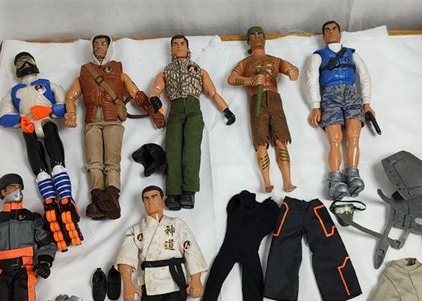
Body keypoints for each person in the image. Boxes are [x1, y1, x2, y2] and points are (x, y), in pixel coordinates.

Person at [65, 35, 164, 220]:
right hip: (91, 120)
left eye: (103, 43)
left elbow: (137, 94)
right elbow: (70, 96)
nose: (99, 46)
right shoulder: (85, 72)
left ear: (109, 47)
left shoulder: (118, 72)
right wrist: (71, 113)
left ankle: (111, 196)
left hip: (113, 118)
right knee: (93, 162)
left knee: (112, 161)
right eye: (96, 43)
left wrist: (153, 111)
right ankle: (97, 198)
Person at [0, 52, 82, 251]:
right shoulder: (13, 93)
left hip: (46, 121)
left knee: (55, 156)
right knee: (38, 164)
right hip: (28, 125)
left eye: (28, 61)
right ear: (16, 68)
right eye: (20, 62)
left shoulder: (49, 85)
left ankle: (65, 198)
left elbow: (65, 105)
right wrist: (21, 119)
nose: (25, 64)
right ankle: (50, 201)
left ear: (34, 63)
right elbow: (3, 117)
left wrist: (49, 110)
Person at [150, 35, 235, 210]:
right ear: (171, 49)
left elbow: (212, 92)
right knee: (173, 150)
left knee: (192, 151)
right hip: (175, 109)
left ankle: (189, 191)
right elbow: (156, 89)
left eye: (182, 43)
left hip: (193, 109)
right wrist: (154, 98)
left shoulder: (198, 70)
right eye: (175, 44)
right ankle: (173, 192)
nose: (179, 46)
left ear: (188, 48)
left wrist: (226, 110)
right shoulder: (166, 71)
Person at [305, 20, 375, 199]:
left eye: (334, 28)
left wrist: (366, 103)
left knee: (353, 135)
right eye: (327, 30)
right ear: (323, 35)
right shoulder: (318, 56)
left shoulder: (352, 54)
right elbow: (312, 81)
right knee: (335, 139)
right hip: (330, 97)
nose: (331, 31)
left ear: (340, 32)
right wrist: (315, 107)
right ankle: (335, 179)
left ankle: (353, 175)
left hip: (351, 94)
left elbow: (364, 76)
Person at [227, 26, 299, 193]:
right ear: (248, 41)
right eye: (253, 35)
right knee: (261, 142)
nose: (257, 37)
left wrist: (292, 71)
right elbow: (231, 79)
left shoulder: (275, 60)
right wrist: (250, 80)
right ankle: (267, 182)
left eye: (260, 34)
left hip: (274, 98)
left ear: (265, 39)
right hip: (256, 100)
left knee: (281, 139)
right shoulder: (245, 63)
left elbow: (291, 69)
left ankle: (287, 181)